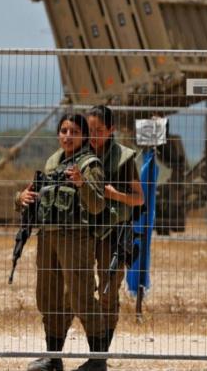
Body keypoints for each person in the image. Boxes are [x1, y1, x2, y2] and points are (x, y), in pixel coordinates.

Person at [15, 113, 108, 371]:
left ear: (84, 136)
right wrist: (20, 197)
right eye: (64, 131)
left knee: (81, 298)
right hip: (49, 238)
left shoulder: (90, 165)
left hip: (75, 238)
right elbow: (36, 192)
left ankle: (98, 361)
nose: (68, 136)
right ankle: (52, 357)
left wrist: (82, 183)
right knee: (49, 297)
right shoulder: (53, 161)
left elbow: (98, 204)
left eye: (74, 132)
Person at [84, 105, 144, 369]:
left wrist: (111, 194)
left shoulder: (123, 158)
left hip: (115, 232)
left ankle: (100, 356)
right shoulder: (80, 153)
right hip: (84, 230)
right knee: (79, 291)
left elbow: (139, 198)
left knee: (108, 291)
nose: (93, 135)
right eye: (90, 130)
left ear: (111, 130)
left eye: (99, 130)